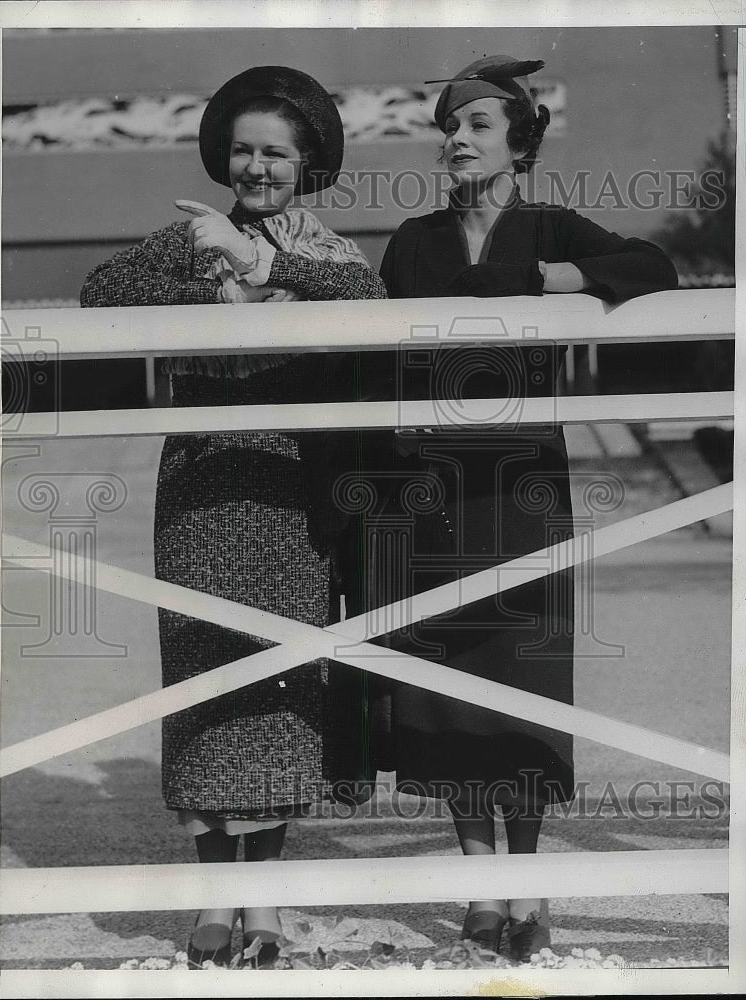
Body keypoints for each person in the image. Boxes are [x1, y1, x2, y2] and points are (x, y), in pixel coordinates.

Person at [347, 55, 678, 961]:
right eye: (449, 126)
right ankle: (477, 888)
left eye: (478, 126)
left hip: (524, 482)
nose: (457, 139)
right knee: (446, 681)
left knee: (520, 677)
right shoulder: (412, 240)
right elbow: (376, 361)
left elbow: (649, 265)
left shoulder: (547, 226)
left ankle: (527, 885)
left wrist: (544, 279)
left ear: (519, 143)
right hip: (429, 483)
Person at [81, 65, 386, 969]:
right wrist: (194, 256)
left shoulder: (329, 254)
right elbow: (99, 295)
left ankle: (266, 909)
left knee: (284, 691)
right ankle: (217, 900)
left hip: (290, 492)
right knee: (209, 687)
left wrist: (265, 264)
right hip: (203, 488)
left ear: (309, 163)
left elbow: (371, 310)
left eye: (276, 153)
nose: (256, 168)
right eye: (244, 149)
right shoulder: (190, 238)